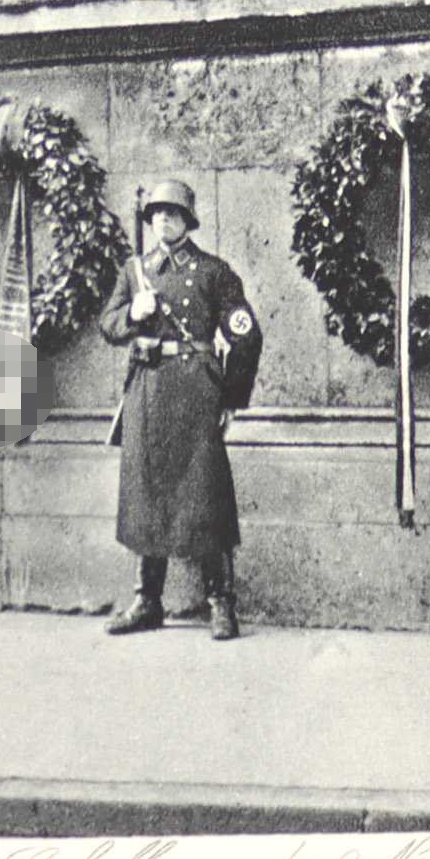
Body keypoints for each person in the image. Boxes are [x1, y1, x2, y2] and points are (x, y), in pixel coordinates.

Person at [100, 179, 262, 642]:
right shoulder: (136, 271)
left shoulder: (213, 272)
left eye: (172, 213)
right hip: (147, 394)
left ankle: (221, 603)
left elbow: (245, 335)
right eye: (156, 214)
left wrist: (230, 399)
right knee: (146, 494)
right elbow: (108, 324)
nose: (163, 221)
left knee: (205, 496)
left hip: (196, 396)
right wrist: (133, 313)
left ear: (187, 220)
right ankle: (147, 601)